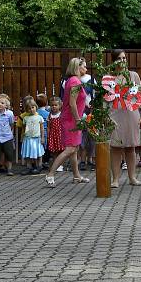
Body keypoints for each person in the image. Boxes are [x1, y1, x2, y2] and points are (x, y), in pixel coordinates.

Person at [45, 57, 89, 187]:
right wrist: (78, 120)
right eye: (84, 67)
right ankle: (50, 174)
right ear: (77, 67)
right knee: (70, 149)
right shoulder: (75, 81)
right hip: (71, 120)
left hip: (71, 119)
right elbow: (72, 103)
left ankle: (76, 176)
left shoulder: (72, 80)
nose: (86, 69)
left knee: (74, 149)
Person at [108, 49, 141, 188]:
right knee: (116, 147)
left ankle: (132, 177)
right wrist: (106, 115)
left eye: (124, 58)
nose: (123, 61)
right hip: (115, 115)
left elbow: (140, 95)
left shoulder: (133, 75)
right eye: (119, 58)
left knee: (131, 147)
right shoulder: (109, 78)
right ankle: (115, 179)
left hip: (131, 114)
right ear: (114, 61)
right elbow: (105, 100)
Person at [19, 99, 45, 175]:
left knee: (38, 153)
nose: (31, 109)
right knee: (28, 153)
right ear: (26, 110)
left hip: (36, 138)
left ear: (36, 107)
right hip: (27, 138)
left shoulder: (39, 117)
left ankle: (39, 166)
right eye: (29, 108)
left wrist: (42, 137)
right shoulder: (25, 118)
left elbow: (42, 128)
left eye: (33, 107)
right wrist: (22, 137)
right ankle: (29, 167)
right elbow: (24, 128)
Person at [47, 97, 65, 170]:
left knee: (61, 150)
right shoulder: (49, 115)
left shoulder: (61, 114)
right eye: (52, 105)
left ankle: (61, 165)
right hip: (53, 135)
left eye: (55, 105)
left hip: (60, 135)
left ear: (60, 106)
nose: (54, 107)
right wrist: (48, 135)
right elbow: (48, 126)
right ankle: (55, 164)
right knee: (54, 151)